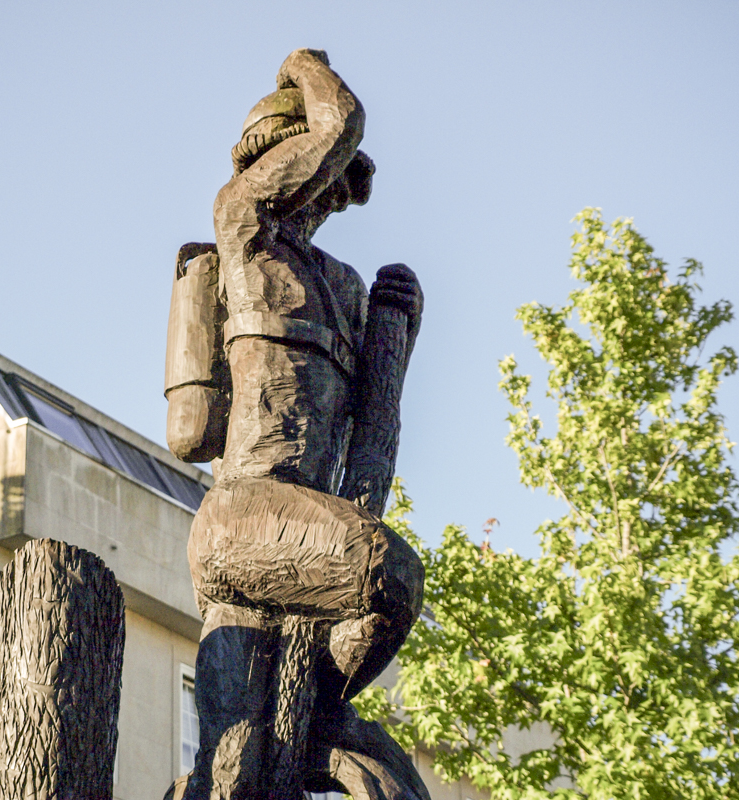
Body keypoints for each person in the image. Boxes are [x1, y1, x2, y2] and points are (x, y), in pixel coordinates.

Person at [168, 48, 427, 800]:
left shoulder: (345, 287)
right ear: (275, 160)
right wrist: (304, 64)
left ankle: (313, 718)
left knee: (237, 767)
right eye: (318, 172)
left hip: (309, 534)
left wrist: (394, 346)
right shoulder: (240, 224)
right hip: (239, 521)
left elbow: (367, 465)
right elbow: (341, 121)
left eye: (338, 185)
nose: (327, 195)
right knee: (388, 573)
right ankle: (317, 714)